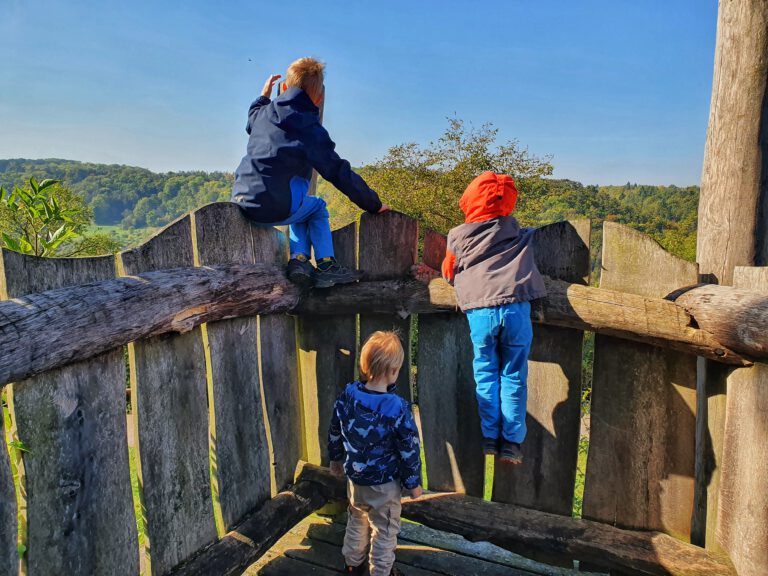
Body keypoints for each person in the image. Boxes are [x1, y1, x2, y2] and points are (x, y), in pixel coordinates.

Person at [416, 172, 546, 464]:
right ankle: (511, 443)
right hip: (515, 307)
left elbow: (449, 272)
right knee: (514, 375)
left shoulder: (458, 235)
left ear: (470, 200)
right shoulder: (516, 230)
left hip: (481, 312)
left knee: (486, 372)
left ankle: (489, 437)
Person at [232, 57, 389, 288]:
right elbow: (337, 171)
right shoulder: (308, 127)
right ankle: (326, 265)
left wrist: (264, 95)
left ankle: (300, 261)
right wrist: (373, 204)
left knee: (302, 204)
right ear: (319, 98)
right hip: (273, 206)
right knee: (317, 207)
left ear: (284, 87)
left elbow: (251, 119)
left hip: (242, 199)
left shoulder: (264, 114)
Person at [328, 331, 422, 576]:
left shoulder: (348, 396)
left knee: (357, 518)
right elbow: (409, 447)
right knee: (385, 530)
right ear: (393, 371)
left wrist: (335, 459)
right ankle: (381, 571)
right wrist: (413, 483)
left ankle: (351, 563)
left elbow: (335, 430)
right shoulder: (397, 407)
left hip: (356, 481)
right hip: (384, 485)